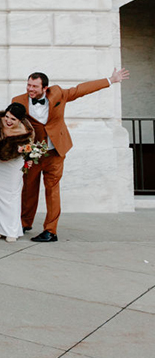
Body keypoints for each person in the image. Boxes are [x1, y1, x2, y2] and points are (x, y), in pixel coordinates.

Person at [12, 67, 129, 242]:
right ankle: (24, 222)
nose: (30, 89)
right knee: (28, 190)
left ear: (45, 88)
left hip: (56, 152)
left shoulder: (58, 93)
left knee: (52, 191)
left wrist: (110, 80)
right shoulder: (18, 101)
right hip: (32, 155)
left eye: (34, 86)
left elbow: (81, 90)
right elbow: (10, 122)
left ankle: (50, 231)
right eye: (28, 85)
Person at [0, 103, 34, 242]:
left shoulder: (27, 130)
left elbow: (30, 148)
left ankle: (12, 230)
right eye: (7, 116)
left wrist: (29, 157)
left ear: (20, 120)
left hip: (14, 163)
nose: (8, 121)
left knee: (12, 194)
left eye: (13, 119)